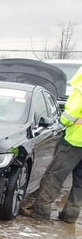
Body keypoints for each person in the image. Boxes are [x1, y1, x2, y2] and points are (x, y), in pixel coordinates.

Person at [25, 65, 82, 222]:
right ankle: (70, 215)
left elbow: (69, 116)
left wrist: (63, 120)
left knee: (55, 176)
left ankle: (41, 210)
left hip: (74, 142)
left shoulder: (80, 91)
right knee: (80, 182)